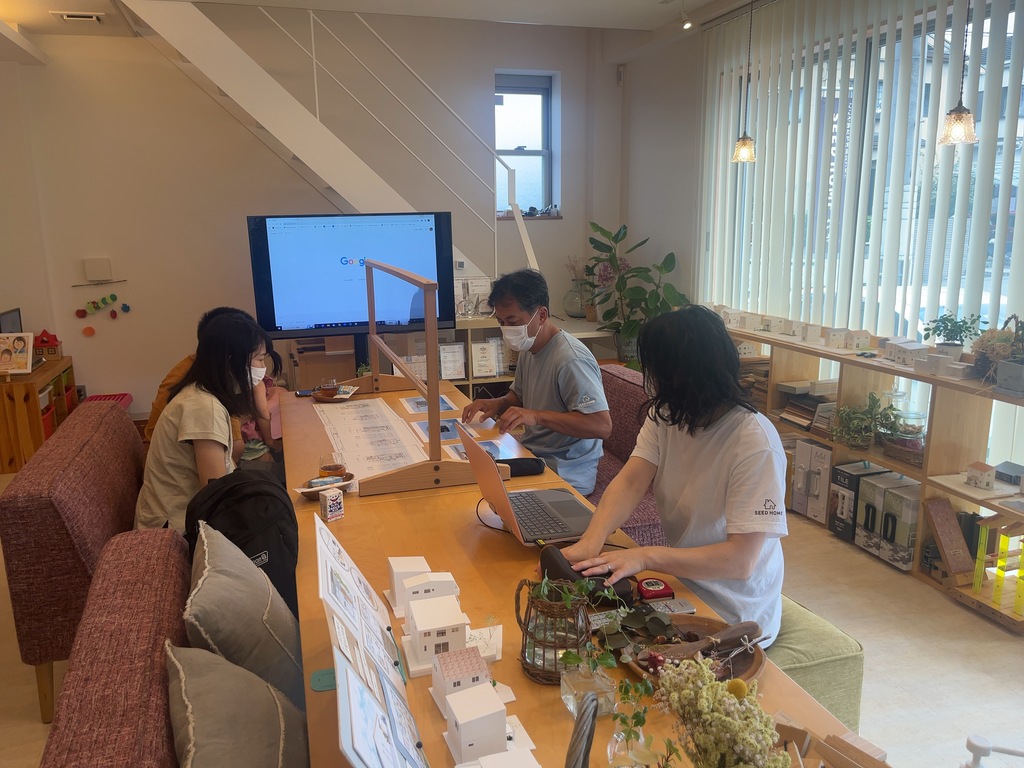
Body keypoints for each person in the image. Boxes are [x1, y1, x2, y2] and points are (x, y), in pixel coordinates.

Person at [561, 305, 788, 645]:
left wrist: (645, 555)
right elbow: (631, 481)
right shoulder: (669, 413)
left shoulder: (754, 443)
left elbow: (740, 561)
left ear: (688, 375)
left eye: (660, 374)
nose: (655, 385)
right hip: (683, 585)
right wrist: (592, 540)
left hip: (734, 614)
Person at [461, 269, 611, 495]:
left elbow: (601, 426)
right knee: (466, 472)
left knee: (474, 494)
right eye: (501, 321)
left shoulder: (571, 359)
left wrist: (537, 416)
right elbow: (519, 397)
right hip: (533, 456)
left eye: (513, 321)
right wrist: (498, 403)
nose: (507, 329)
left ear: (541, 315)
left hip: (564, 472)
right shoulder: (529, 347)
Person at [135, 313, 269, 533]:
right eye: (260, 359)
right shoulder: (204, 407)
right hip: (178, 529)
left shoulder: (203, 394)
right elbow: (215, 494)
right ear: (231, 361)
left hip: (184, 516)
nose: (263, 368)